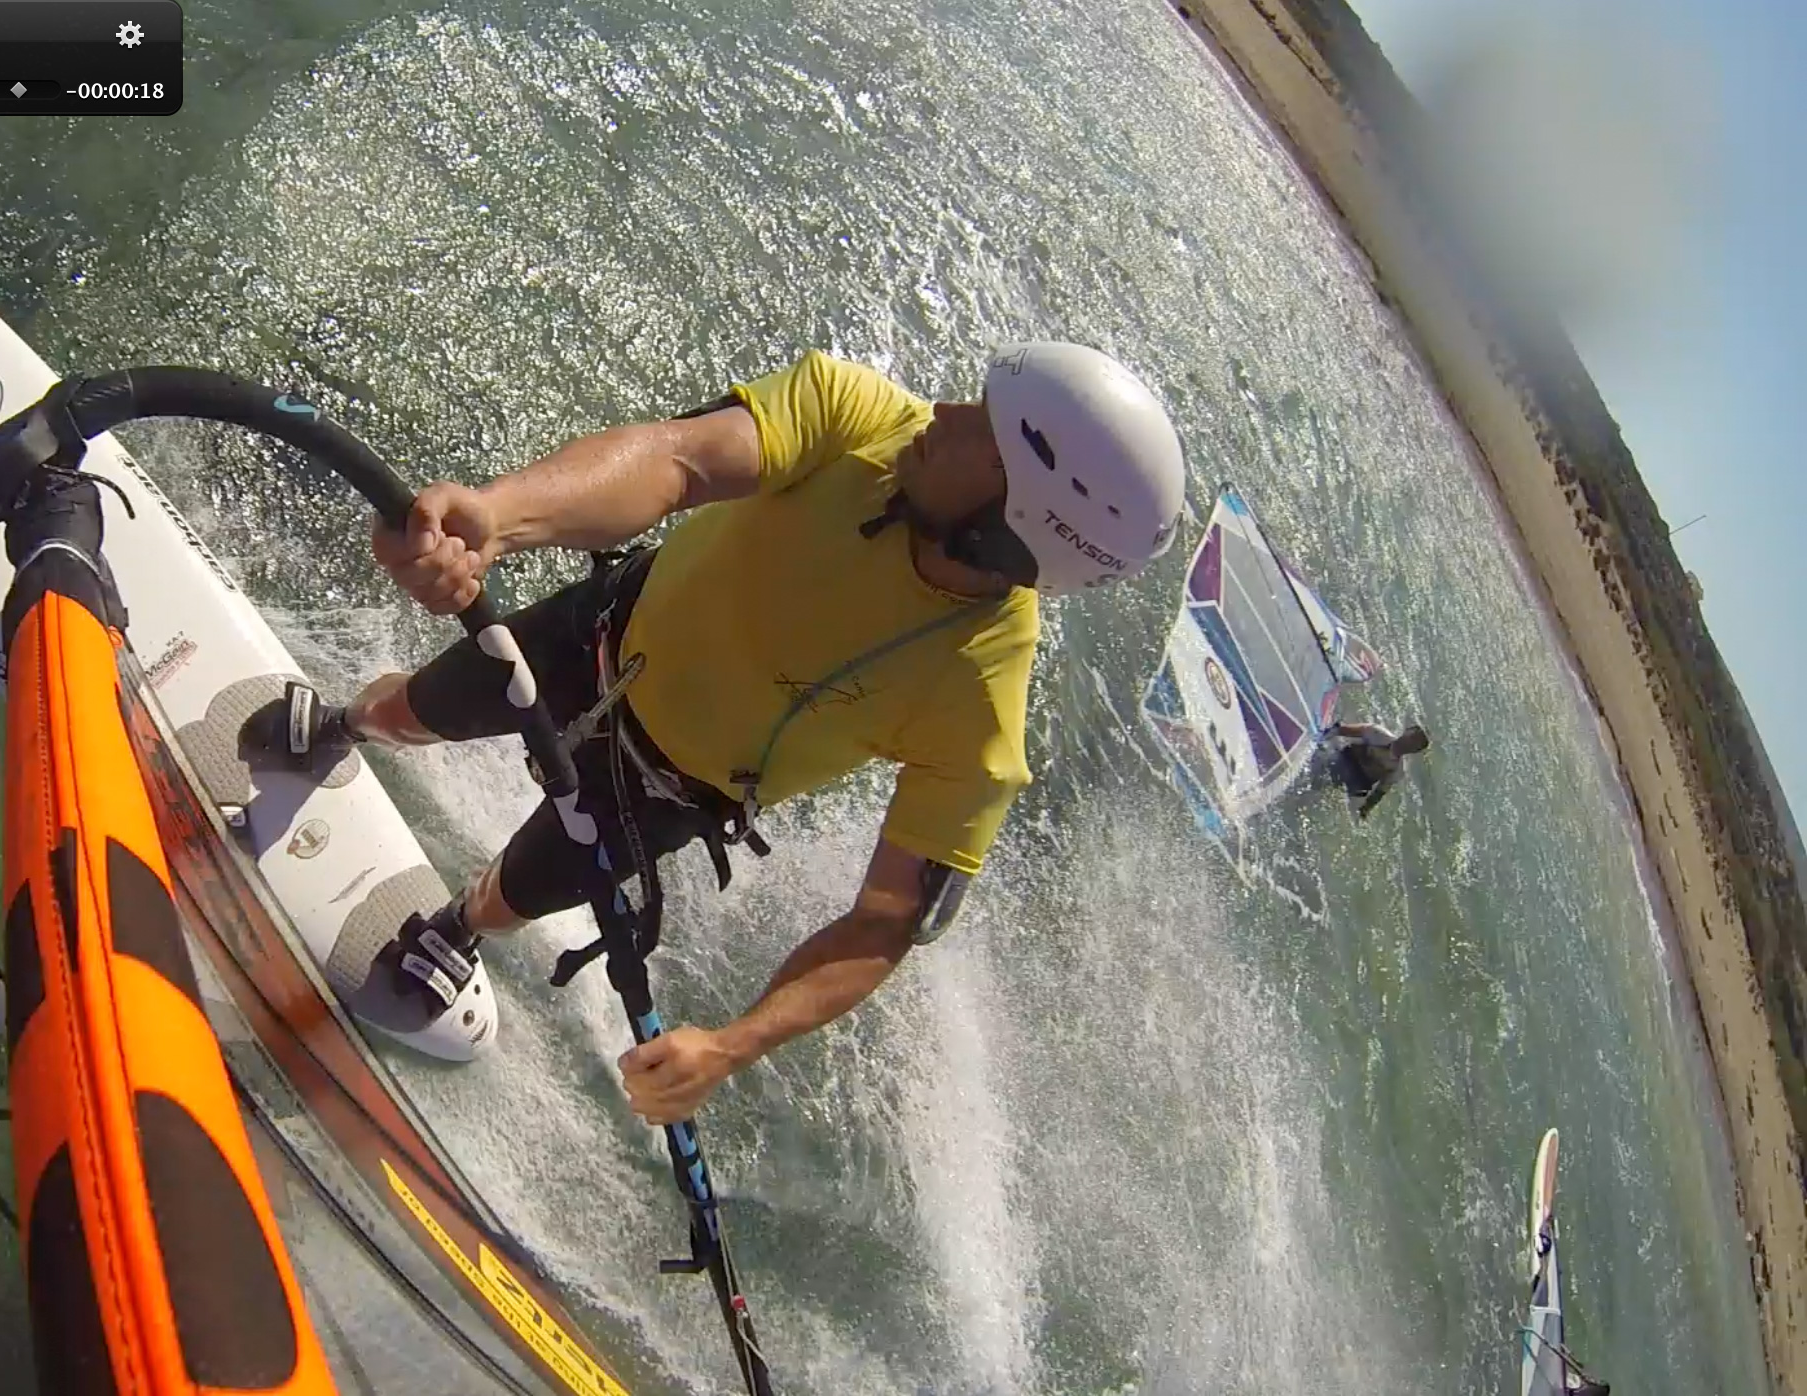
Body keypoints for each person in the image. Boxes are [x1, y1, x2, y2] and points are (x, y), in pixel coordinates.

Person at [243, 345, 1187, 1126]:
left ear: (1010, 526)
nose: (943, 410)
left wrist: (731, 1046)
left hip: (664, 792)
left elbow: (884, 922)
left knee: (521, 890)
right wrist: (501, 520)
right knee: (422, 707)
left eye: (981, 427)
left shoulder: (980, 708)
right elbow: (677, 460)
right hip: (601, 636)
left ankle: (457, 927)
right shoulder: (858, 413)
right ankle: (349, 722)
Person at [1324, 720, 1429, 819]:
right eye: (1412, 738)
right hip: (1344, 761)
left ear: (1414, 751)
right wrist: (1329, 734)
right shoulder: (1379, 734)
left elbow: (1379, 792)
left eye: (1415, 745)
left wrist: (1364, 810)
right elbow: (1343, 730)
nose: (1409, 744)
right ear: (1406, 731)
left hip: (1354, 783)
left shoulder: (1397, 771)